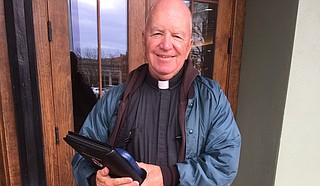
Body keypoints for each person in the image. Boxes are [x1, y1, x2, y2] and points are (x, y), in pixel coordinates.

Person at [72, 0, 241, 185]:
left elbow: (224, 164)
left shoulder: (212, 99)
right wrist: (95, 180)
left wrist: (170, 176)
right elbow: (82, 156)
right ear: (144, 39)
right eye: (158, 33)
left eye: (177, 36)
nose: (166, 45)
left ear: (188, 46)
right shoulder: (114, 99)